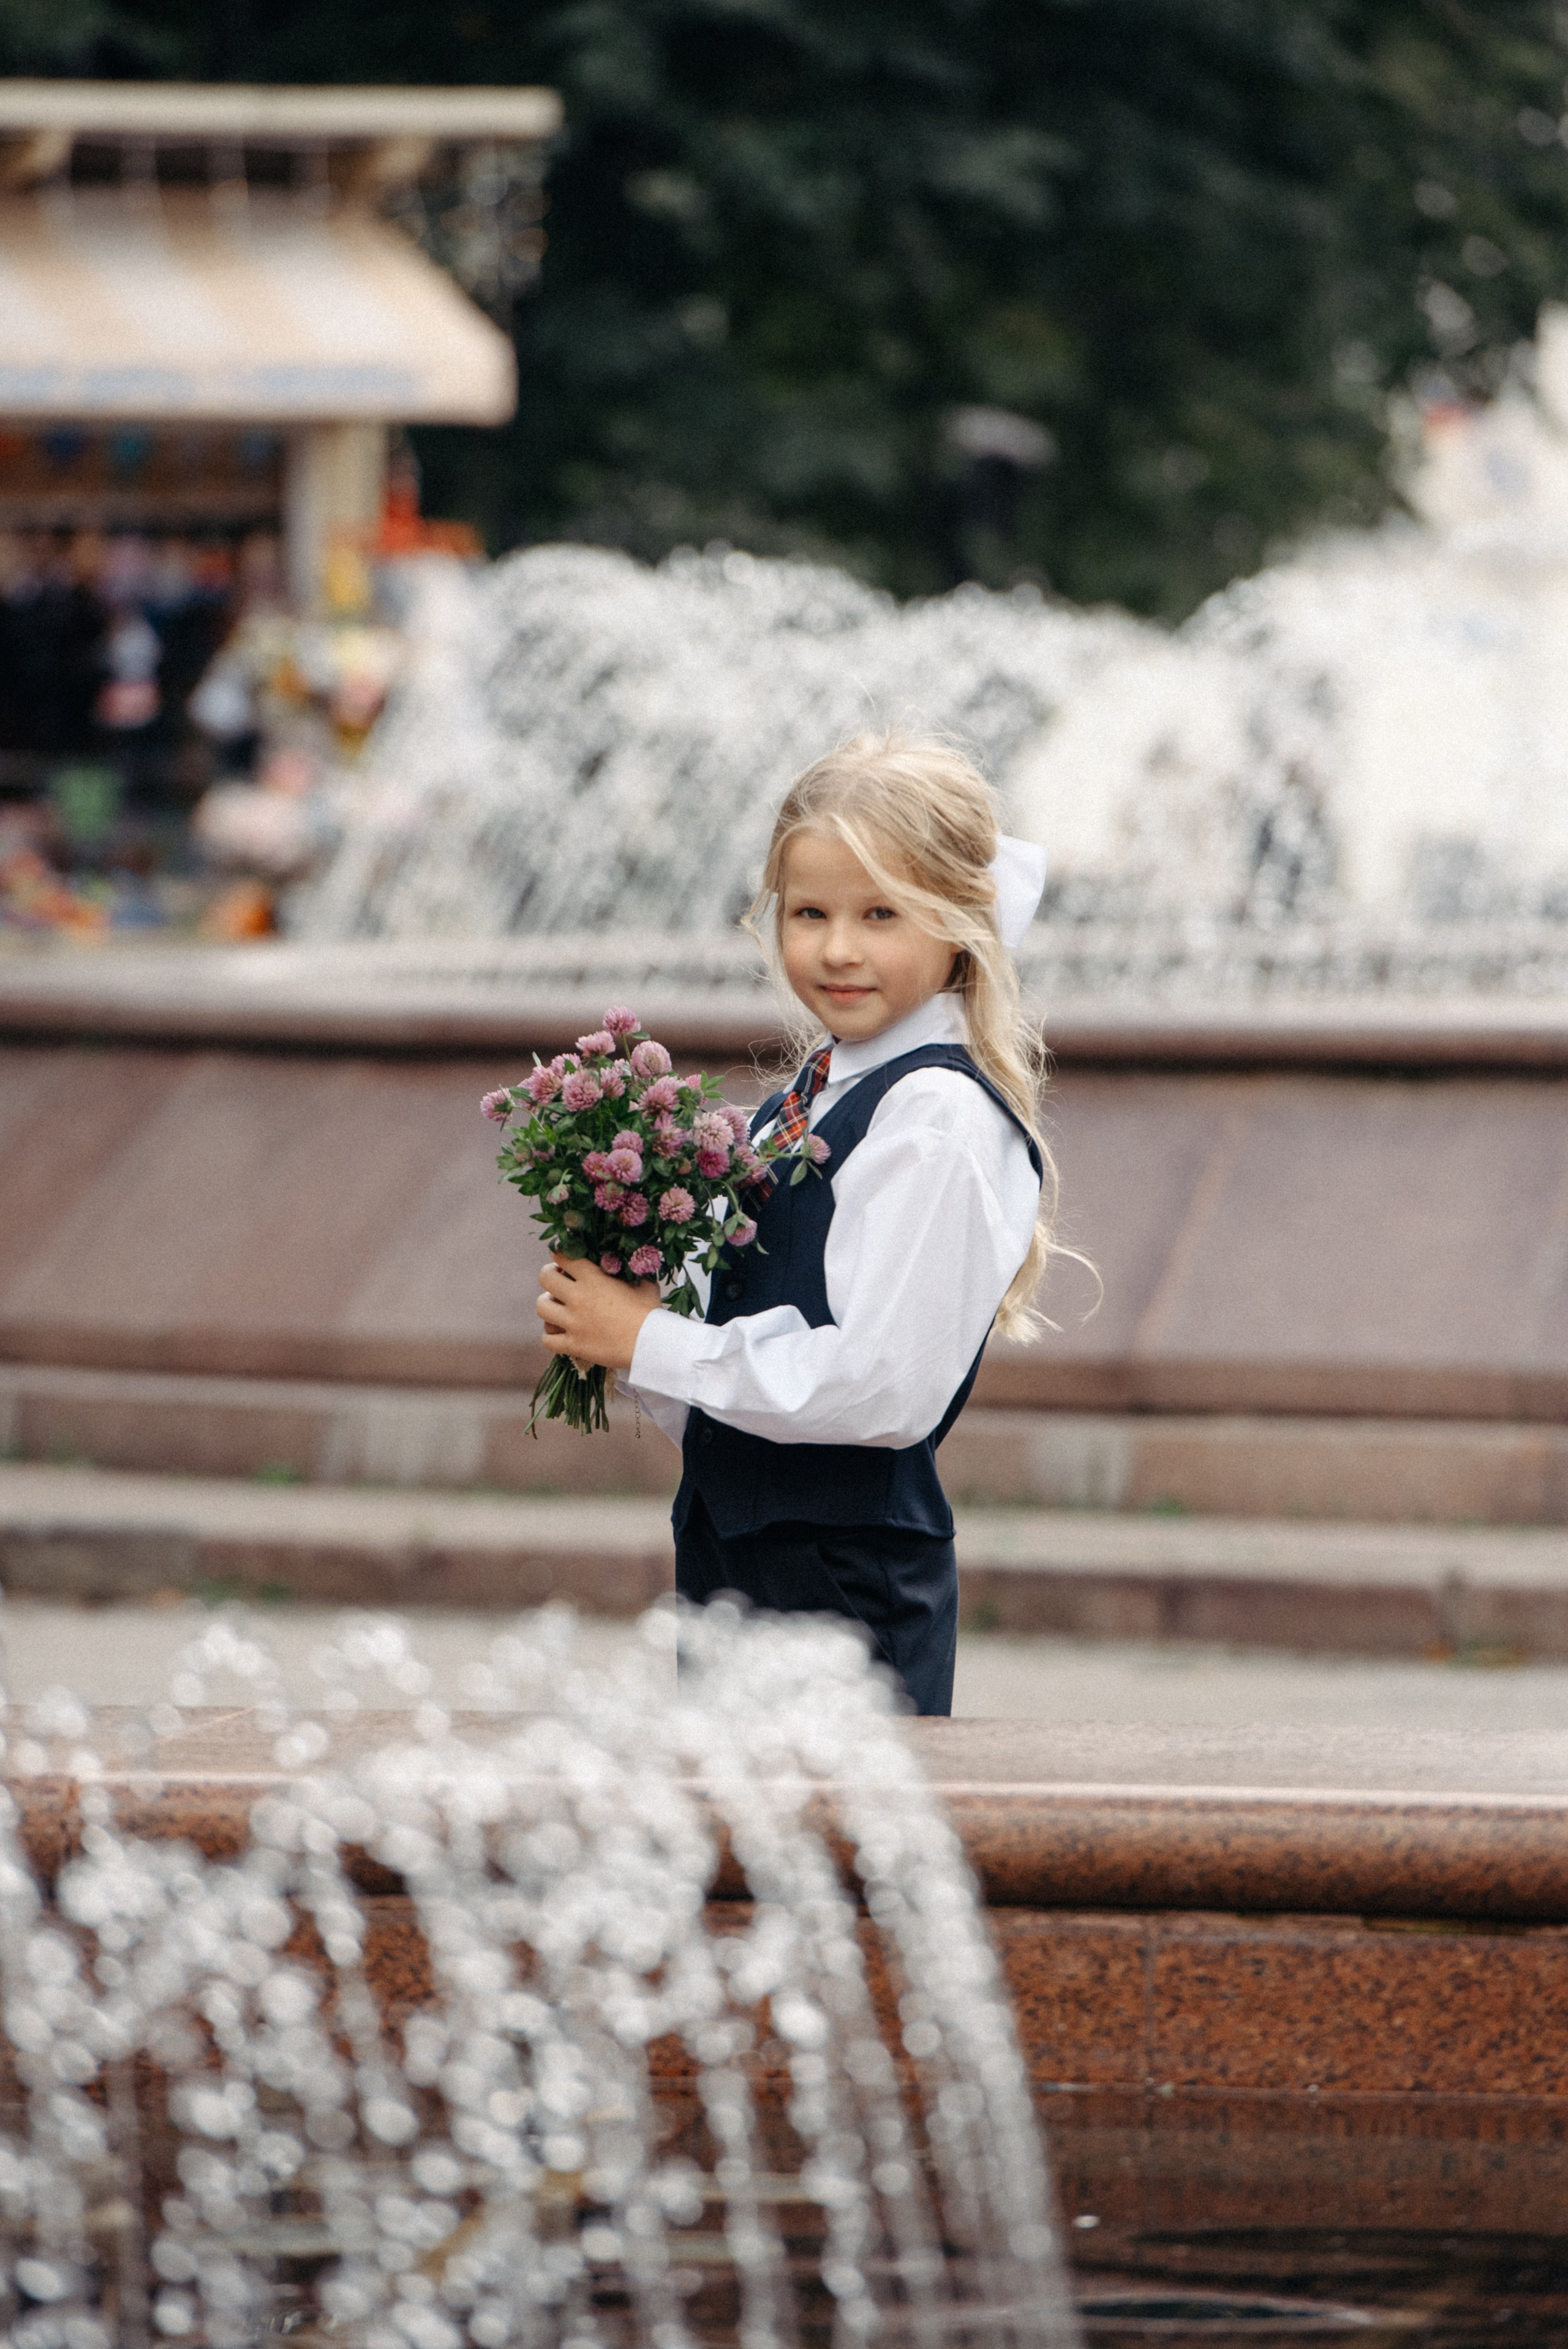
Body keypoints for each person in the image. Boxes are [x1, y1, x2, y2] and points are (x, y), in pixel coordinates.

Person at [534, 732, 1061, 1714]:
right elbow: (758, 1335)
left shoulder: (934, 1116)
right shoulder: (809, 1096)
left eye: (880, 914)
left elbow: (879, 1388)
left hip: (844, 1586)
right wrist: (636, 1311)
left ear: (958, 923)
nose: (837, 949)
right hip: (738, 1556)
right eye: (809, 912)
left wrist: (652, 1341)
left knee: (830, 1818)